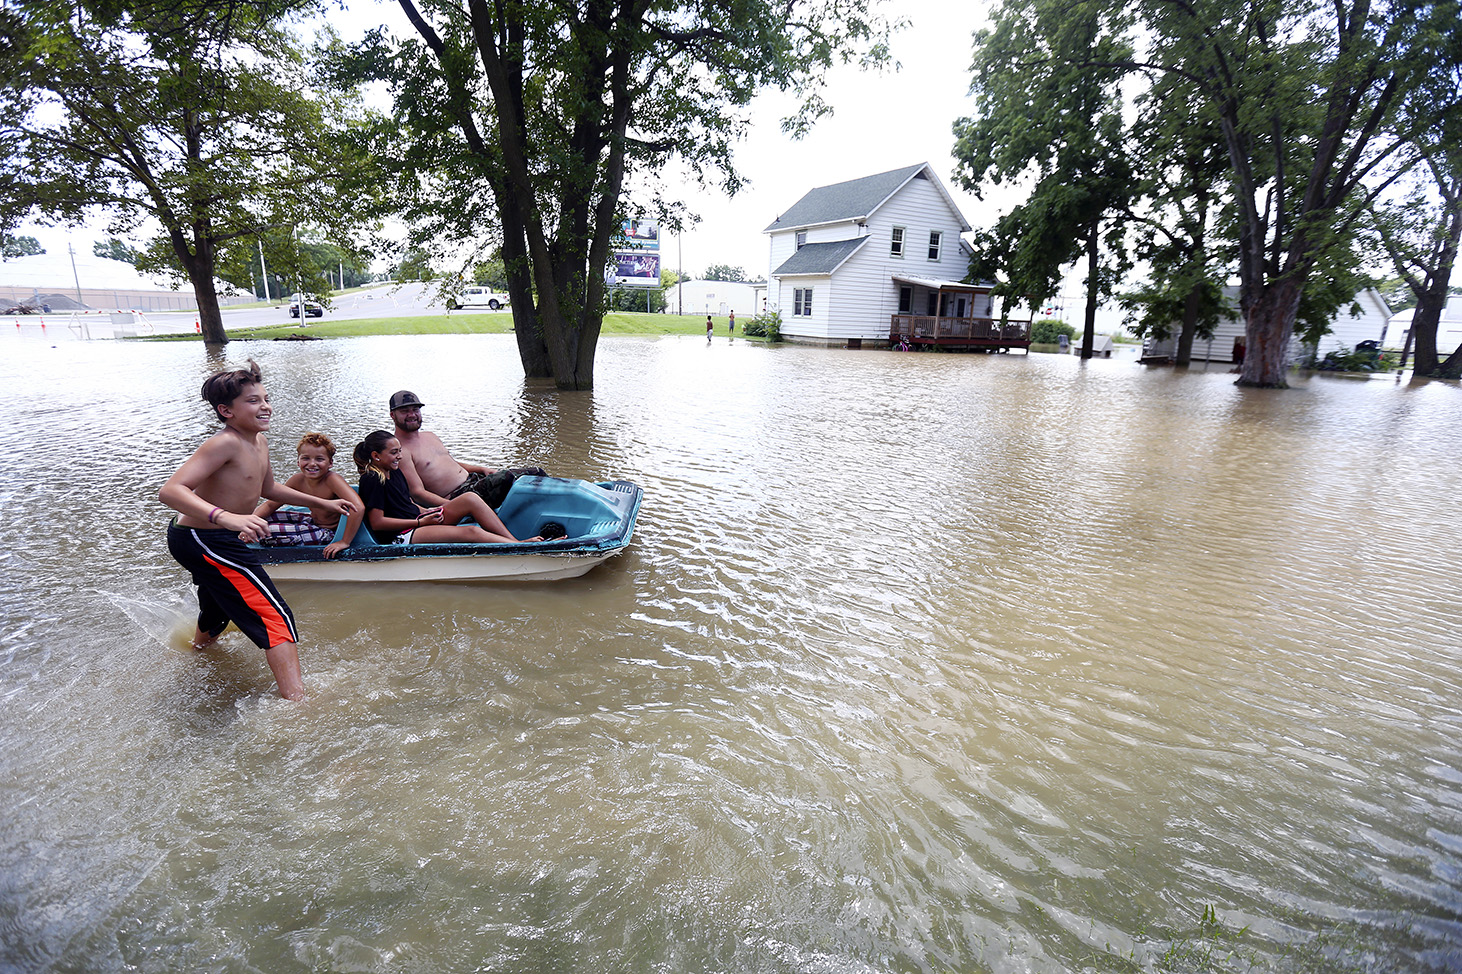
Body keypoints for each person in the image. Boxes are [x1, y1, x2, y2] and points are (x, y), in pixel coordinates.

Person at [159, 360, 353, 701]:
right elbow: (171, 491)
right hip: (203, 537)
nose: (265, 406)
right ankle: (297, 704)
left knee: (219, 605)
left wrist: (323, 503)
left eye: (266, 398)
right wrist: (226, 517)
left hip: (207, 538)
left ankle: (196, 651)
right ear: (226, 411)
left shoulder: (258, 442)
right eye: (253, 400)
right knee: (274, 615)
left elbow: (269, 488)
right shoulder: (224, 444)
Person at [352, 430, 539, 544]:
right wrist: (420, 522)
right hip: (401, 535)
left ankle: (514, 541)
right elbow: (378, 523)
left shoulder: (394, 471)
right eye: (394, 452)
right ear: (376, 456)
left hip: (419, 520)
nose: (400, 456)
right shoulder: (372, 479)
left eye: (400, 451)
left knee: (470, 498)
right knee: (471, 532)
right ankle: (519, 548)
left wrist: (427, 512)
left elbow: (406, 502)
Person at [387, 391, 546, 510]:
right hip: (459, 495)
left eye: (415, 409)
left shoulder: (430, 436)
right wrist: (453, 505)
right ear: (393, 415)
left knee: (534, 472)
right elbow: (417, 493)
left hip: (474, 481)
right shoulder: (400, 451)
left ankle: (547, 511)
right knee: (512, 477)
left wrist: (482, 469)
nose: (412, 415)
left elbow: (450, 463)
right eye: (405, 411)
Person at [253, 432, 365, 559]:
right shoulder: (297, 480)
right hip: (312, 521)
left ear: (330, 463)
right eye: (306, 458)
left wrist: (344, 541)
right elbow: (270, 504)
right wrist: (248, 523)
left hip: (328, 532)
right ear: (298, 461)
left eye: (319, 459)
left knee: (268, 531)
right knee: (260, 520)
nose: (312, 464)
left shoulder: (332, 480)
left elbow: (358, 507)